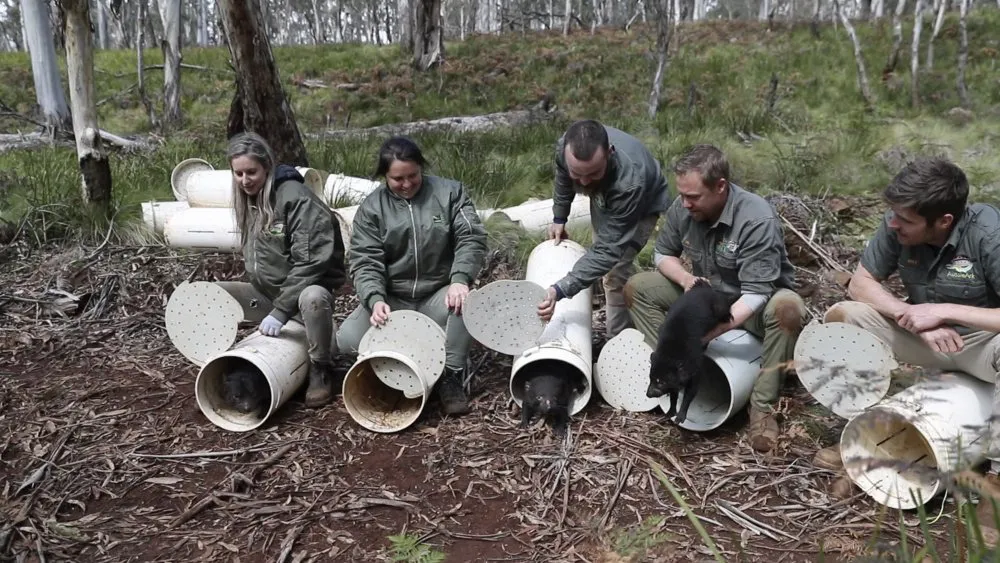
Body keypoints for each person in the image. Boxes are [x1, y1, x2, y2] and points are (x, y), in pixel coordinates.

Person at [816, 158, 1000, 488]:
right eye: (894, 214)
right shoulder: (896, 223)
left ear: (944, 221)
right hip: (926, 339)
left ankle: (997, 476)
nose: (893, 225)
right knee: (845, 316)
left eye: (905, 220)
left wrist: (942, 311)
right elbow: (860, 283)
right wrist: (910, 315)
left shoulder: (989, 233)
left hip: (983, 346)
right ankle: (860, 427)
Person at [623, 144, 808, 453]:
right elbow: (662, 253)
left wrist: (706, 335)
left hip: (754, 307)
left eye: (693, 197)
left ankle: (762, 407)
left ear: (720, 186)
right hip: (706, 301)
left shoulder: (755, 218)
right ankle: (674, 372)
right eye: (681, 195)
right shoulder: (684, 208)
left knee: (787, 309)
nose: (685, 204)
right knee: (637, 287)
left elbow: (757, 293)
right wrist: (685, 279)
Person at [336, 136, 488, 416]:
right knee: (346, 341)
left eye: (412, 176)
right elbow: (365, 260)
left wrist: (459, 278)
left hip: (437, 293)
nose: (406, 184)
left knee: (469, 303)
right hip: (394, 298)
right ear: (385, 177)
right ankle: (409, 352)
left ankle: (450, 376)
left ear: (421, 168)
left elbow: (471, 238)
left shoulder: (450, 193)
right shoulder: (372, 208)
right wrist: (375, 299)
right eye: (397, 179)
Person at [216, 131, 348, 408]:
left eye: (251, 172)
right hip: (268, 293)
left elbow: (311, 262)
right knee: (205, 296)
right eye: (238, 174)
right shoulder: (248, 197)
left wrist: (280, 311)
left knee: (314, 297)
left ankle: (321, 367)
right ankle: (220, 367)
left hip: (300, 300)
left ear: (267, 166)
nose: (244, 180)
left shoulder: (294, 198)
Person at [537, 119, 672, 339]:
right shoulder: (565, 148)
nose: (584, 181)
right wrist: (559, 217)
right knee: (600, 259)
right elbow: (563, 179)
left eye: (592, 173)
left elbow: (609, 250)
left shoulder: (629, 182)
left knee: (614, 271)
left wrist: (560, 290)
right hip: (608, 194)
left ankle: (618, 339)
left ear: (609, 153)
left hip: (643, 204)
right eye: (577, 173)